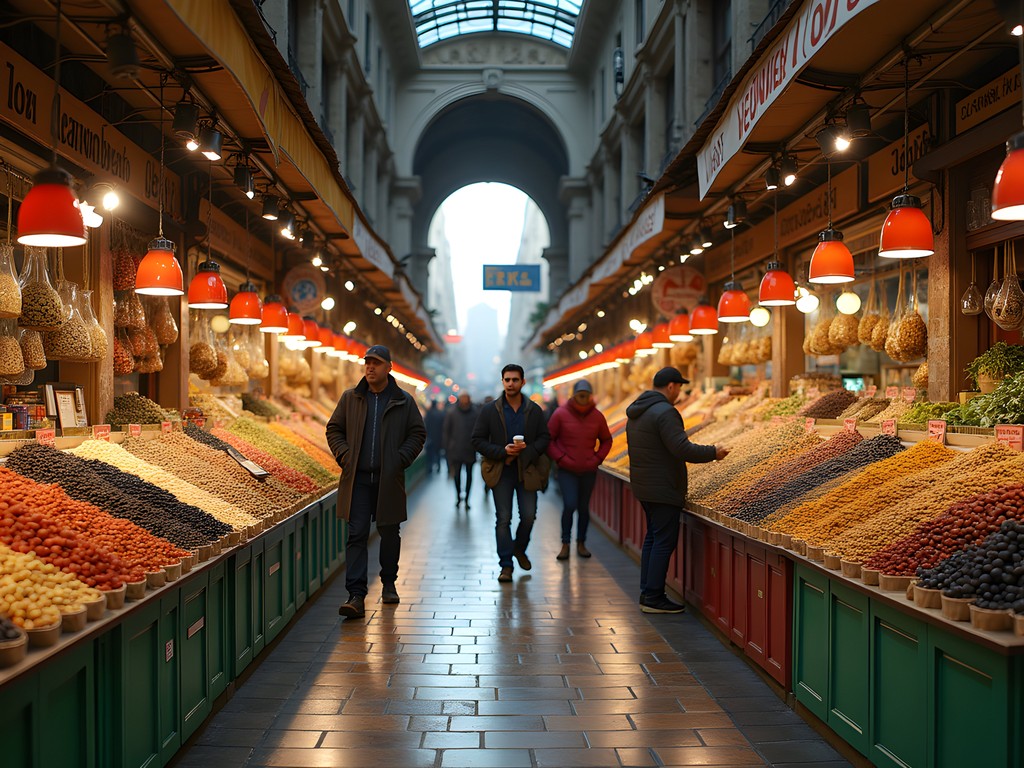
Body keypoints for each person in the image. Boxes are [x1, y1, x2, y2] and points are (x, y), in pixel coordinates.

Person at [326, 345, 426, 619]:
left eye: (377, 363)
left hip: (388, 479)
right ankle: (356, 595)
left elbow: (417, 434)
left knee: (389, 533)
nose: (370, 367)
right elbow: (334, 429)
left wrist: (400, 458)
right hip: (357, 479)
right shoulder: (351, 398)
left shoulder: (403, 401)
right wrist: (345, 455)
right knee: (356, 534)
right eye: (367, 363)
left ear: (388, 368)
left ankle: (389, 583)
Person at [626, 366, 729, 614]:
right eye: (679, 387)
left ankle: (647, 591)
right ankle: (653, 597)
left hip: (644, 485)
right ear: (671, 386)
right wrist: (713, 453)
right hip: (662, 487)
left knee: (653, 537)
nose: (679, 392)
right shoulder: (665, 412)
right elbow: (682, 448)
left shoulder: (638, 411)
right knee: (663, 541)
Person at [472, 364, 550, 583]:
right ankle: (505, 565)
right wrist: (502, 451)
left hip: (527, 471)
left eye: (515, 380)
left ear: (523, 382)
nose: (511, 384)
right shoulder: (490, 410)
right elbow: (476, 440)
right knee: (503, 519)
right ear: (502, 382)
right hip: (501, 471)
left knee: (528, 516)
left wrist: (527, 452)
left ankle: (519, 548)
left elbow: (545, 438)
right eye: (507, 380)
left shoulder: (533, 410)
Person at [546, 379, 612, 561]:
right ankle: (565, 543)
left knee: (583, 508)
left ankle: (581, 542)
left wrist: (597, 459)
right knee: (569, 504)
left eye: (586, 394)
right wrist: (561, 458)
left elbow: (607, 440)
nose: (583, 398)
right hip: (567, 471)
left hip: (588, 470)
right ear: (574, 395)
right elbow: (549, 439)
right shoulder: (560, 414)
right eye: (580, 394)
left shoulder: (597, 416)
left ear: (590, 396)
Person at [443, 392, 478, 507]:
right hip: (456, 450)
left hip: (469, 449)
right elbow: (447, 431)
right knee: (457, 476)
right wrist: (448, 447)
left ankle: (467, 498)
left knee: (469, 476)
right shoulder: (452, 412)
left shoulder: (475, 412)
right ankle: (458, 496)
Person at [424, 400, 445, 473]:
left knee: (430, 454)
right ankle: (438, 467)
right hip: (438, 437)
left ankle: (429, 468)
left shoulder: (428, 414)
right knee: (438, 453)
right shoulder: (440, 414)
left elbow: (425, 425)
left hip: (430, 437)